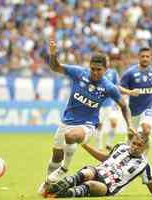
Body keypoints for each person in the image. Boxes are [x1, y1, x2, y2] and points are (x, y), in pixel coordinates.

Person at [38, 39, 136, 193]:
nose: (95, 72)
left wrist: (130, 125)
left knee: (71, 136)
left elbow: (124, 106)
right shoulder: (79, 73)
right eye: (93, 69)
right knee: (56, 155)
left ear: (105, 69)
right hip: (67, 121)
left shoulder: (108, 87)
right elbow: (55, 67)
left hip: (87, 125)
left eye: (99, 69)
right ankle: (48, 183)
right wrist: (53, 54)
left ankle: (65, 168)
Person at [41, 133, 152, 198]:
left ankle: (59, 195)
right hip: (98, 171)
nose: (135, 146)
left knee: (91, 184)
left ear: (145, 148)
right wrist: (84, 145)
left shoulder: (144, 165)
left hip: (108, 187)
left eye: (139, 145)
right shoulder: (121, 146)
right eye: (134, 143)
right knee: (88, 172)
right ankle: (53, 187)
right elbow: (105, 158)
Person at [119, 47, 152, 142]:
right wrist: (130, 92)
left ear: (151, 58)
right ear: (138, 57)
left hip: (148, 107)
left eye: (147, 56)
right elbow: (119, 88)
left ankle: (144, 156)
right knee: (131, 136)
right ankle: (128, 150)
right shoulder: (130, 73)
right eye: (143, 56)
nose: (145, 58)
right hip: (133, 110)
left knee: (146, 130)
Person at [95, 64, 121, 151]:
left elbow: (117, 87)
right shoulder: (96, 73)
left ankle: (109, 144)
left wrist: (118, 101)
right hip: (100, 104)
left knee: (114, 123)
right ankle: (98, 145)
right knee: (99, 125)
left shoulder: (113, 73)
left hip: (111, 103)